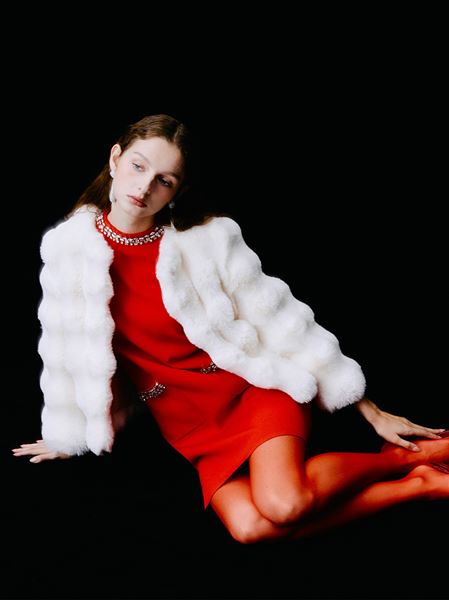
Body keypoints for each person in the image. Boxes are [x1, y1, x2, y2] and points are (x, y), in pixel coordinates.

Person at [12, 114, 449, 544]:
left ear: (178, 190)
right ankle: (421, 485)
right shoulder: (70, 250)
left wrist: (371, 411)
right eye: (138, 166)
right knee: (250, 528)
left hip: (249, 389)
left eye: (164, 180)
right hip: (188, 421)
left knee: (285, 505)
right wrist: (71, 433)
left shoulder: (207, 240)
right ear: (115, 158)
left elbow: (282, 320)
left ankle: (401, 460)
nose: (144, 188)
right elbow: (66, 348)